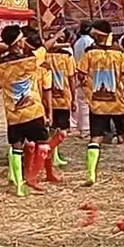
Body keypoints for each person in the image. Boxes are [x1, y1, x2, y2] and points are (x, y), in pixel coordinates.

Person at [0, 26, 60, 197]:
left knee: (16, 147)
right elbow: (45, 47)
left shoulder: (0, 64)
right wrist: (57, 35)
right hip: (33, 111)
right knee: (43, 143)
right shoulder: (30, 59)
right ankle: (32, 177)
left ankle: (19, 184)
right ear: (20, 41)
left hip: (13, 114)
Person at [77, 20, 124, 186]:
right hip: (118, 103)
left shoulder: (89, 53)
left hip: (97, 104)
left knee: (96, 137)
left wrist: (89, 91)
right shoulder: (120, 53)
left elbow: (81, 75)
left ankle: (91, 173)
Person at [46, 37, 77, 168]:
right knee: (63, 131)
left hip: (48, 99)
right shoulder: (67, 57)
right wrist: (74, 97)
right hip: (63, 99)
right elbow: (71, 79)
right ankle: (47, 153)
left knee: (52, 130)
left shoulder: (44, 56)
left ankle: (51, 155)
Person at [72, 20, 96, 136]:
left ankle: (82, 128)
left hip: (79, 72)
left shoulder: (77, 43)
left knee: (81, 101)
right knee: (90, 101)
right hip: (89, 73)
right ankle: (88, 127)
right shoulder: (91, 42)